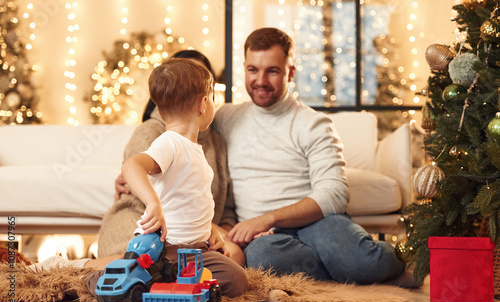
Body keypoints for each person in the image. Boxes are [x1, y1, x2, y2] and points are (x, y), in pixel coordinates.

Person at [213, 27, 411, 286]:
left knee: (362, 262)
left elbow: (335, 194)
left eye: (272, 71)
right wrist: (233, 228)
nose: (260, 80)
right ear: (244, 68)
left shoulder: (313, 123)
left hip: (318, 223)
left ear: (290, 73)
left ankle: (402, 259)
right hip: (265, 239)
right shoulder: (225, 119)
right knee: (263, 256)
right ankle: (347, 271)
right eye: (253, 70)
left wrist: (268, 217)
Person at [97, 50, 245, 267]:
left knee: (234, 255)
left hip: (191, 229)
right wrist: (153, 203)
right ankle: (77, 269)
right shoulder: (157, 135)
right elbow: (137, 173)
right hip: (146, 222)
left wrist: (218, 231)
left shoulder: (215, 144)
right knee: (142, 262)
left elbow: (213, 202)